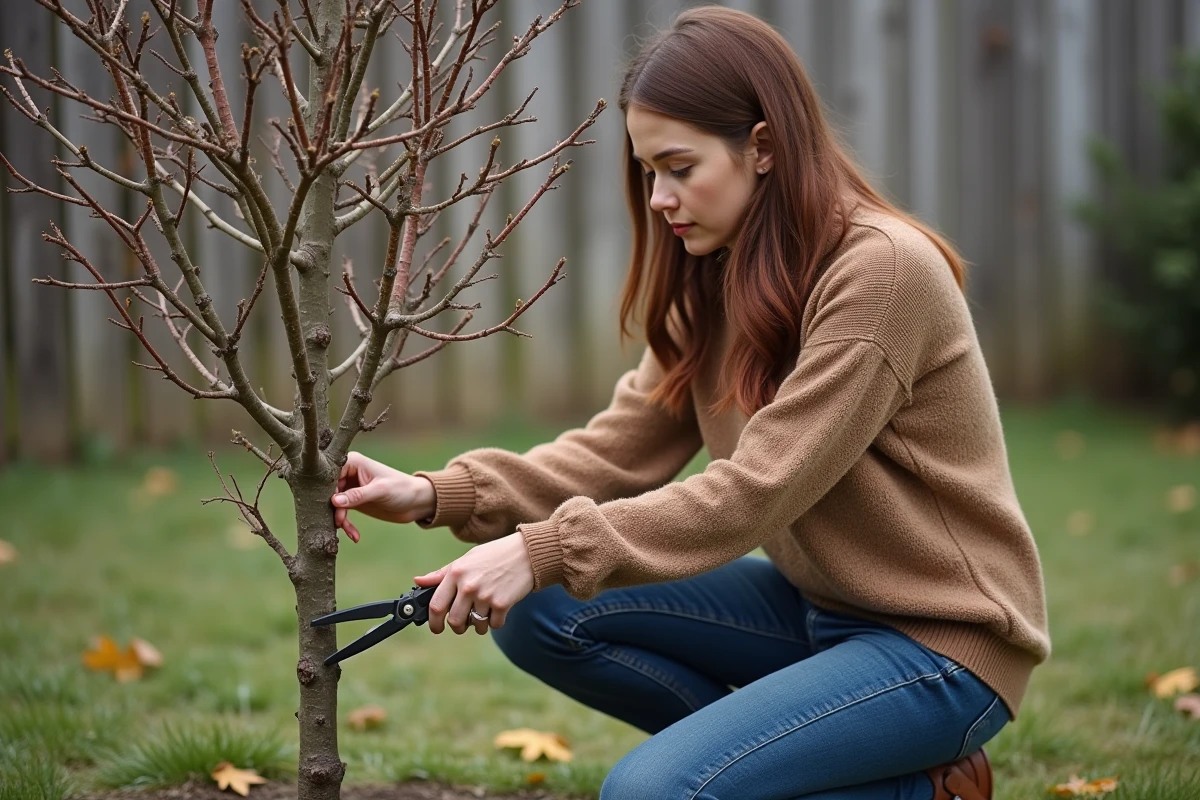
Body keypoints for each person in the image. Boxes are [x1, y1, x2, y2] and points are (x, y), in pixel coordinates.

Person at [330, 6, 1050, 799]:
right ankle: (786, 771)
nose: (661, 197)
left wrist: (537, 549)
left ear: (763, 147)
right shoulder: (716, 273)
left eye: (680, 166)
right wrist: (438, 492)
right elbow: (617, 452)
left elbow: (757, 490)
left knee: (648, 793)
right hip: (817, 611)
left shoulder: (880, 273)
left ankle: (916, 789)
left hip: (938, 646)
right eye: (647, 171)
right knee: (544, 612)